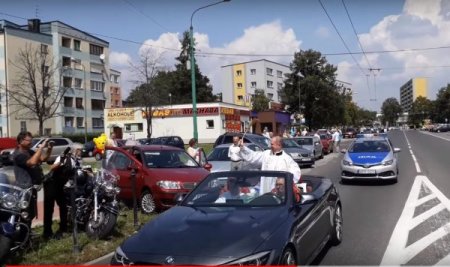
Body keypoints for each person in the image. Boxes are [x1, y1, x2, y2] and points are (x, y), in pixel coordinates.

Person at [42, 143, 82, 239]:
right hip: (51, 184)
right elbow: (51, 168)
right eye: (80, 150)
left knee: (63, 207)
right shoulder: (64, 158)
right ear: (75, 151)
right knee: (49, 209)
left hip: (60, 185)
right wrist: (61, 161)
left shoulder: (75, 161)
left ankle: (63, 228)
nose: (82, 152)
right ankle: (47, 232)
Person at [12, 132, 53, 226]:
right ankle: (22, 237)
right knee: (24, 214)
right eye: (29, 141)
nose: (31, 143)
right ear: (21, 141)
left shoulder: (29, 151)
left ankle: (28, 235)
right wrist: (41, 147)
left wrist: (49, 149)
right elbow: (32, 162)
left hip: (31, 188)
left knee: (30, 214)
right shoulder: (18, 154)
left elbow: (43, 159)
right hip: (23, 188)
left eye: (32, 140)